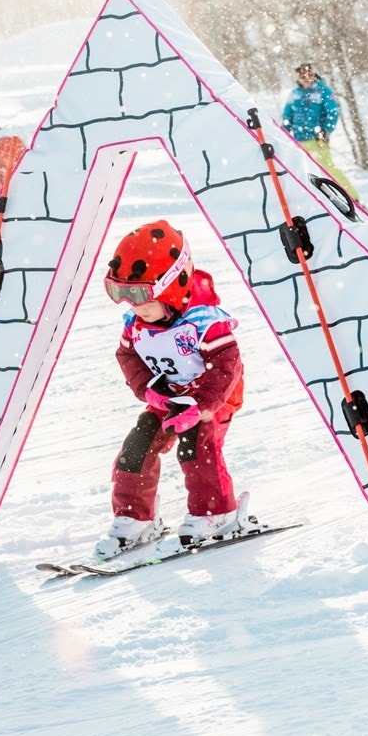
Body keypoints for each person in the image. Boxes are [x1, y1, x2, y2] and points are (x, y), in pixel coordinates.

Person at [94, 220, 248, 559]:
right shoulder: (138, 323)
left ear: (172, 286)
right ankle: (135, 517)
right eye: (119, 293)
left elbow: (228, 364)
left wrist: (204, 405)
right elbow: (127, 355)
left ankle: (216, 513)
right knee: (137, 446)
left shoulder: (204, 322)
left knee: (196, 444)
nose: (131, 304)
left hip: (211, 398)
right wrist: (149, 390)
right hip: (169, 398)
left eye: (139, 294)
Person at [281, 61, 360, 201]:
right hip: (298, 141)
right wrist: (284, 133)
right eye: (301, 75)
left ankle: (352, 198)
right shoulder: (295, 94)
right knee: (303, 173)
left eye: (307, 74)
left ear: (312, 75)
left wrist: (326, 130)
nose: (304, 77)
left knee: (328, 170)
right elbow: (287, 116)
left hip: (317, 140)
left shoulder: (323, 91)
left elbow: (332, 113)